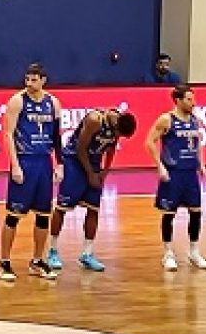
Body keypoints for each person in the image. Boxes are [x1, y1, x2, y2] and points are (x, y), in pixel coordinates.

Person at [47, 106, 138, 273]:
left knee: (93, 209)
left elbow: (111, 150)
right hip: (74, 160)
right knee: (62, 207)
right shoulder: (95, 120)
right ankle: (52, 251)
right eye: (119, 134)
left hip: (94, 162)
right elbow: (80, 148)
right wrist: (90, 174)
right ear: (116, 126)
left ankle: (87, 254)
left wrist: (105, 171)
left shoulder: (118, 123)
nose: (118, 137)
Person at [0, 63, 61, 282]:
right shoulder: (18, 101)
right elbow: (8, 134)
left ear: (43, 80)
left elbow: (57, 136)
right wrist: (15, 165)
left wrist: (59, 164)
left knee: (43, 215)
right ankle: (4, 261)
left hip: (44, 162)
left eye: (34, 80)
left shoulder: (53, 102)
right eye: (27, 79)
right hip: (25, 160)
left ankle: (37, 260)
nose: (29, 83)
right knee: (13, 215)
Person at [145, 85, 206, 272]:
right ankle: (168, 253)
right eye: (189, 99)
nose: (193, 103)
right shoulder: (167, 119)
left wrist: (201, 164)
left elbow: (198, 143)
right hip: (173, 173)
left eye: (193, 99)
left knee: (196, 212)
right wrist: (159, 166)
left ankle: (194, 252)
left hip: (190, 173)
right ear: (178, 100)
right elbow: (149, 141)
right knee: (169, 214)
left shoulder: (195, 120)